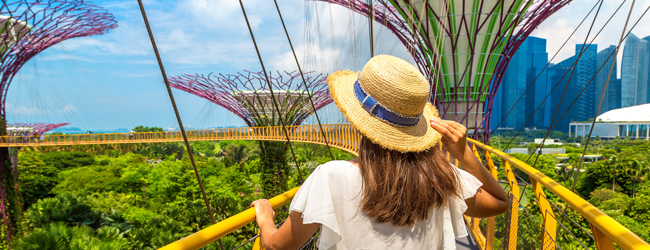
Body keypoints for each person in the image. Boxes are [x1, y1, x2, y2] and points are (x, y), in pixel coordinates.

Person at [250, 55, 509, 250]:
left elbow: (277, 246)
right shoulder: (442, 176)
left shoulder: (331, 176)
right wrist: (465, 153)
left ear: (358, 119)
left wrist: (264, 217)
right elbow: (500, 203)